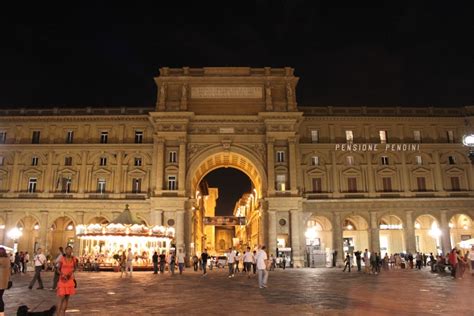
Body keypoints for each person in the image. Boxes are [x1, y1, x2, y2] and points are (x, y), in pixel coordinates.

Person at [56, 246, 77, 316]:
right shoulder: (62, 259)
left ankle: (63, 314)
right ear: (65, 251)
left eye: (70, 250)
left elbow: (75, 268)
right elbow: (58, 269)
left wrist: (70, 273)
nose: (69, 251)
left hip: (70, 280)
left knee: (66, 299)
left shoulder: (74, 259)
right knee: (61, 298)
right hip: (62, 280)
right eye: (68, 250)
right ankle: (58, 314)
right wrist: (62, 275)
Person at [0, 247, 11, 316]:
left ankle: (1, 313)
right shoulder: (7, 259)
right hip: (4, 283)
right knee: (0, 297)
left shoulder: (0, 260)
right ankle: (1, 313)